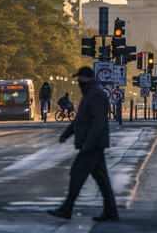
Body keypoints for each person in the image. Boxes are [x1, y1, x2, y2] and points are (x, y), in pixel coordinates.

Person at [47, 66, 119, 222]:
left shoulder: (95, 95)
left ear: (86, 78)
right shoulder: (90, 94)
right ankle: (111, 211)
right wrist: (66, 134)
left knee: (77, 173)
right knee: (102, 179)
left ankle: (67, 208)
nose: (78, 81)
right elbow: (80, 120)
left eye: (80, 78)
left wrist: (89, 143)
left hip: (91, 145)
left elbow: (98, 122)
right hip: (92, 144)